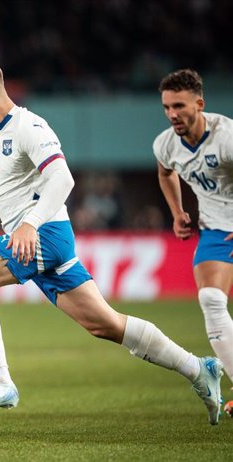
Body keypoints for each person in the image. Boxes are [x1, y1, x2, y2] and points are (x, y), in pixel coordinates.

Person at [0, 55, 225, 425]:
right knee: (106, 324)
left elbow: (63, 179)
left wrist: (29, 224)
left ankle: (0, 381)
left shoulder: (30, 126)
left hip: (44, 234)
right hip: (33, 239)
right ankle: (198, 368)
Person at [153, 68, 233, 396]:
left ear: (199, 103)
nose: (172, 114)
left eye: (180, 106)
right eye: (167, 107)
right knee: (211, 299)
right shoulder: (166, 144)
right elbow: (165, 173)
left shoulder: (226, 138)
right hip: (215, 231)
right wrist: (177, 212)